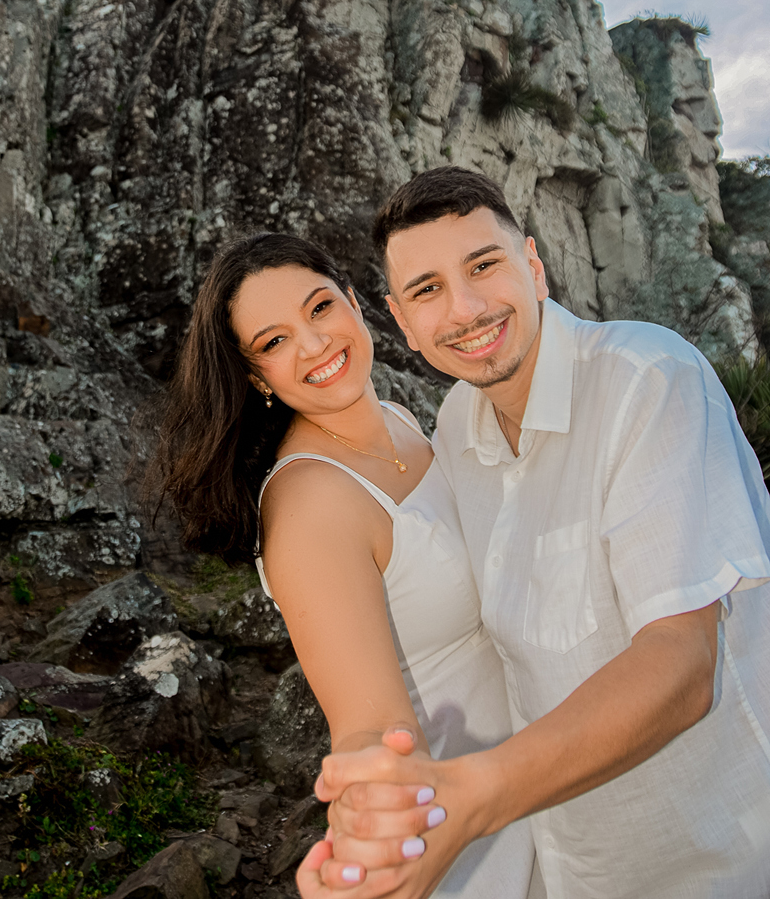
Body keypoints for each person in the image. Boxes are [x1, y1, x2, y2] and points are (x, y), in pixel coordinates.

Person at [301, 166, 770, 899]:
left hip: (719, 857)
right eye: (427, 290)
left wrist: (469, 797)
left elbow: (679, 661)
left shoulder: (646, 379)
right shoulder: (454, 424)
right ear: (400, 321)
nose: (464, 309)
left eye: (483, 265)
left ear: (533, 267)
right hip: (576, 864)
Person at [146, 231, 541, 897]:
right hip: (461, 829)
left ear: (356, 302)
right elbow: (366, 725)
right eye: (273, 342)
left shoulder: (400, 419)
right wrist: (374, 813)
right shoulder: (309, 506)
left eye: (320, 308)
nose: (313, 344)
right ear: (255, 377)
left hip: (534, 775)